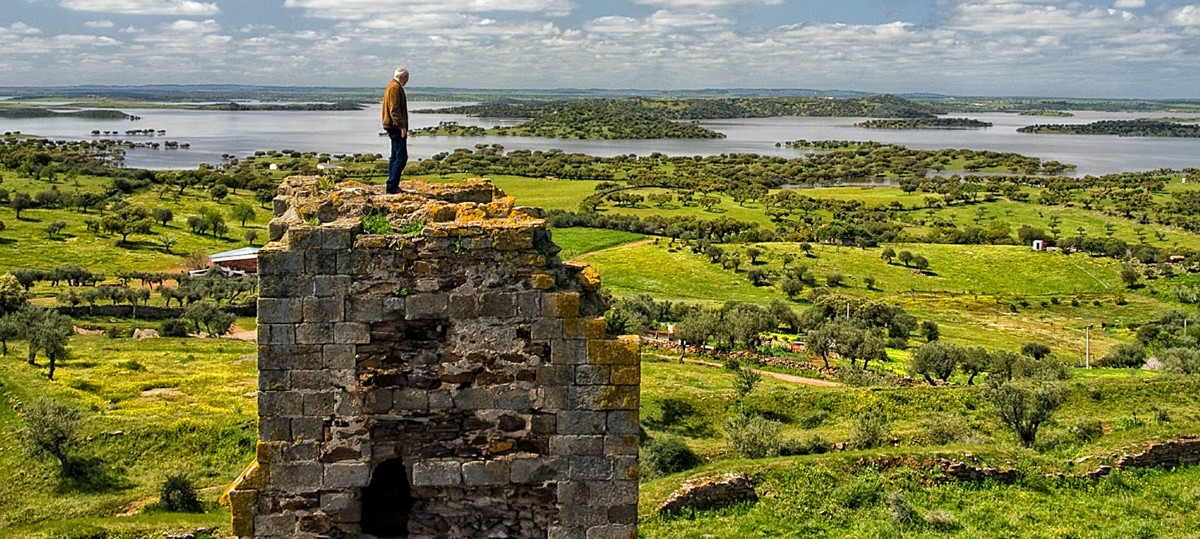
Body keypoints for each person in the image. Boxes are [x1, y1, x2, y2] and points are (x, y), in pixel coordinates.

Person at [382, 67, 410, 194]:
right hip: (395, 126)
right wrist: (401, 126)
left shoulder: (393, 86)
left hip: (392, 125)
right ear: (402, 77)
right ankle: (392, 185)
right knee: (401, 157)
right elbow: (394, 109)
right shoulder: (395, 87)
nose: (407, 80)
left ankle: (391, 184)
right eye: (407, 78)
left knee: (395, 156)